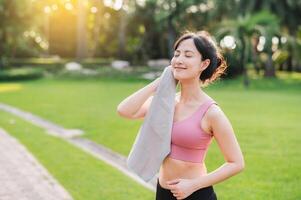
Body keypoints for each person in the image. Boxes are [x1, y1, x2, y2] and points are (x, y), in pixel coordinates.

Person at [117, 30, 245, 200]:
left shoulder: (212, 113)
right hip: (163, 193)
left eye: (188, 55)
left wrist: (193, 185)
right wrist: (160, 81)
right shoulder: (165, 103)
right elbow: (124, 110)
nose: (179, 60)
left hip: (196, 194)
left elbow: (236, 163)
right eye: (177, 54)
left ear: (204, 64)